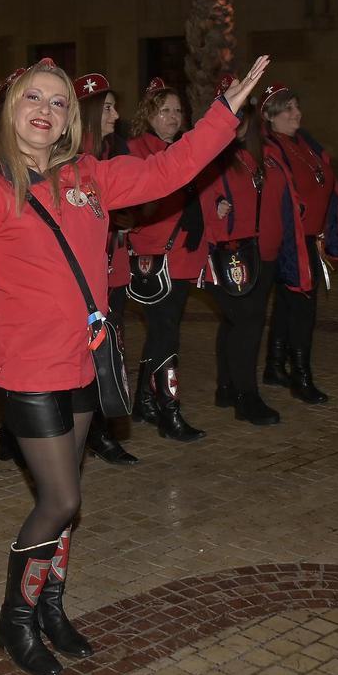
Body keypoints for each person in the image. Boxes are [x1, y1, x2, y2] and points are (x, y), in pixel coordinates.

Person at [0, 56, 269, 675]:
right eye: (33, 99)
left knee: (67, 501)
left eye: (57, 101)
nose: (45, 110)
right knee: (61, 497)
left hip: (85, 360)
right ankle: (14, 619)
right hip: (25, 366)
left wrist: (222, 115)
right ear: (9, 110)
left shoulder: (89, 175)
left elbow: (170, 168)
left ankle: (49, 607)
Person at [201, 75, 306, 425]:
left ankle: (228, 387)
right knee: (246, 322)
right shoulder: (213, 157)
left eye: (243, 111)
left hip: (268, 253)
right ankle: (247, 397)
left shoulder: (261, 154)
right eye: (231, 111)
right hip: (233, 254)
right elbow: (201, 198)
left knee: (238, 322)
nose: (238, 119)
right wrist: (216, 209)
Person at [124, 78, 208, 442]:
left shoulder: (184, 149)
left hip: (185, 254)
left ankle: (144, 399)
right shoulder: (136, 150)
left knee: (162, 332)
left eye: (177, 111)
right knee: (166, 335)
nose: (173, 117)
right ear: (149, 113)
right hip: (155, 256)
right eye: (164, 110)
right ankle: (169, 412)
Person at [260, 82, 338, 404]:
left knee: (288, 304)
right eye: (288, 109)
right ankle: (301, 376)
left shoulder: (303, 143)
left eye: (297, 107)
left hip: (310, 237)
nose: (296, 114)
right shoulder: (271, 149)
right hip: (290, 242)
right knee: (302, 309)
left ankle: (274, 365)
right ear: (270, 116)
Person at [74, 72, 139, 465]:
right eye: (109, 107)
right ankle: (95, 434)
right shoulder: (76, 159)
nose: (115, 115)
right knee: (87, 354)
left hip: (113, 265)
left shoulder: (115, 150)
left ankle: (102, 430)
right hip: (84, 278)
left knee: (110, 349)